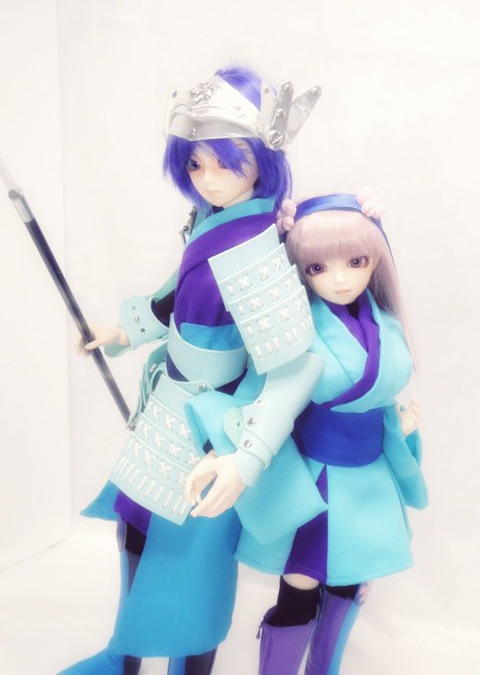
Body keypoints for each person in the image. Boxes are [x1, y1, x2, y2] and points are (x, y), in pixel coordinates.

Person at [59, 66, 325, 675]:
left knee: (198, 555)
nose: (207, 178)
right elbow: (177, 293)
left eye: (225, 162)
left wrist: (246, 457)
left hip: (212, 424)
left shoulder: (257, 252)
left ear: (262, 159)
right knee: (135, 529)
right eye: (196, 163)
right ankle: (124, 656)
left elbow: (294, 368)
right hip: (168, 405)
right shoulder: (211, 220)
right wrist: (126, 330)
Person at [233, 193, 428, 675]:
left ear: (376, 259)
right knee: (302, 580)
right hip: (315, 474)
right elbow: (262, 399)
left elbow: (384, 393)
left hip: (369, 474)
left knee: (349, 579)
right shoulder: (295, 328)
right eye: (318, 267)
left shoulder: (386, 323)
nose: (340, 279)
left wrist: (398, 425)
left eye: (355, 261)